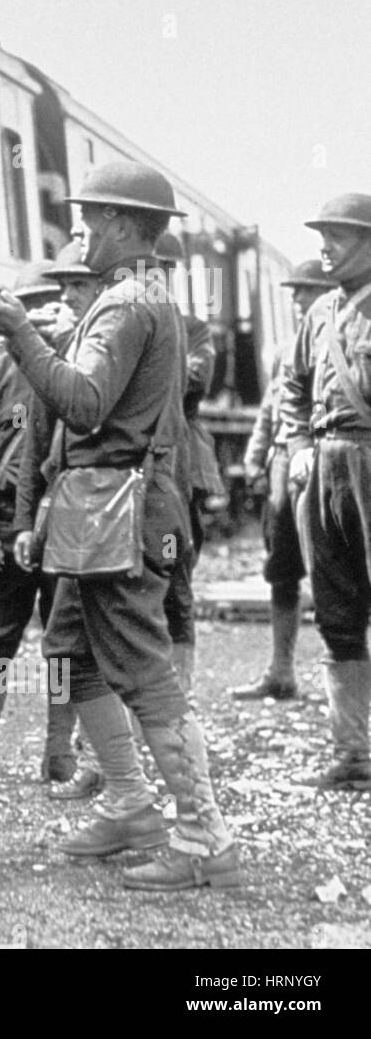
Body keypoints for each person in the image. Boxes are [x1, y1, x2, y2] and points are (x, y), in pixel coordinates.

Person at [0, 160, 240, 891]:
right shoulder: (142, 298)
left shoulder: (125, 306)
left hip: (120, 515)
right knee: (73, 650)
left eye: (92, 217)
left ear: (125, 224)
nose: (81, 229)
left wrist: (20, 334)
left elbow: (86, 404)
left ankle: (203, 833)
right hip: (101, 511)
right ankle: (130, 803)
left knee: (145, 672)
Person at [0, 258, 85, 790]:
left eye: (48, 307)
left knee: (64, 641)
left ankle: (60, 752)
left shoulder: (74, 376)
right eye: (29, 308)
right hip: (6, 524)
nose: (38, 318)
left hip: (61, 525)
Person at [281, 195, 371, 790]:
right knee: (336, 610)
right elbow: (292, 388)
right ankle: (355, 755)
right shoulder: (319, 315)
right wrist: (296, 449)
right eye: (322, 235)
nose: (324, 246)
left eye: (336, 235)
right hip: (325, 464)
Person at [233, 259, 332, 702]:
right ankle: (281, 671)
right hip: (281, 470)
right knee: (282, 569)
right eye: (293, 293)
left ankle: (345, 679)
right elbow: (271, 412)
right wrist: (255, 457)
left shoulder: (340, 342)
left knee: (338, 573)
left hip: (325, 466)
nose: (296, 301)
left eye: (304, 291)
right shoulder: (285, 350)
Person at [153, 231, 223, 698]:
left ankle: (178, 695)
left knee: (175, 578)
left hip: (177, 463)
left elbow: (195, 379)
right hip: (124, 465)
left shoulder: (192, 329)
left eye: (158, 269)